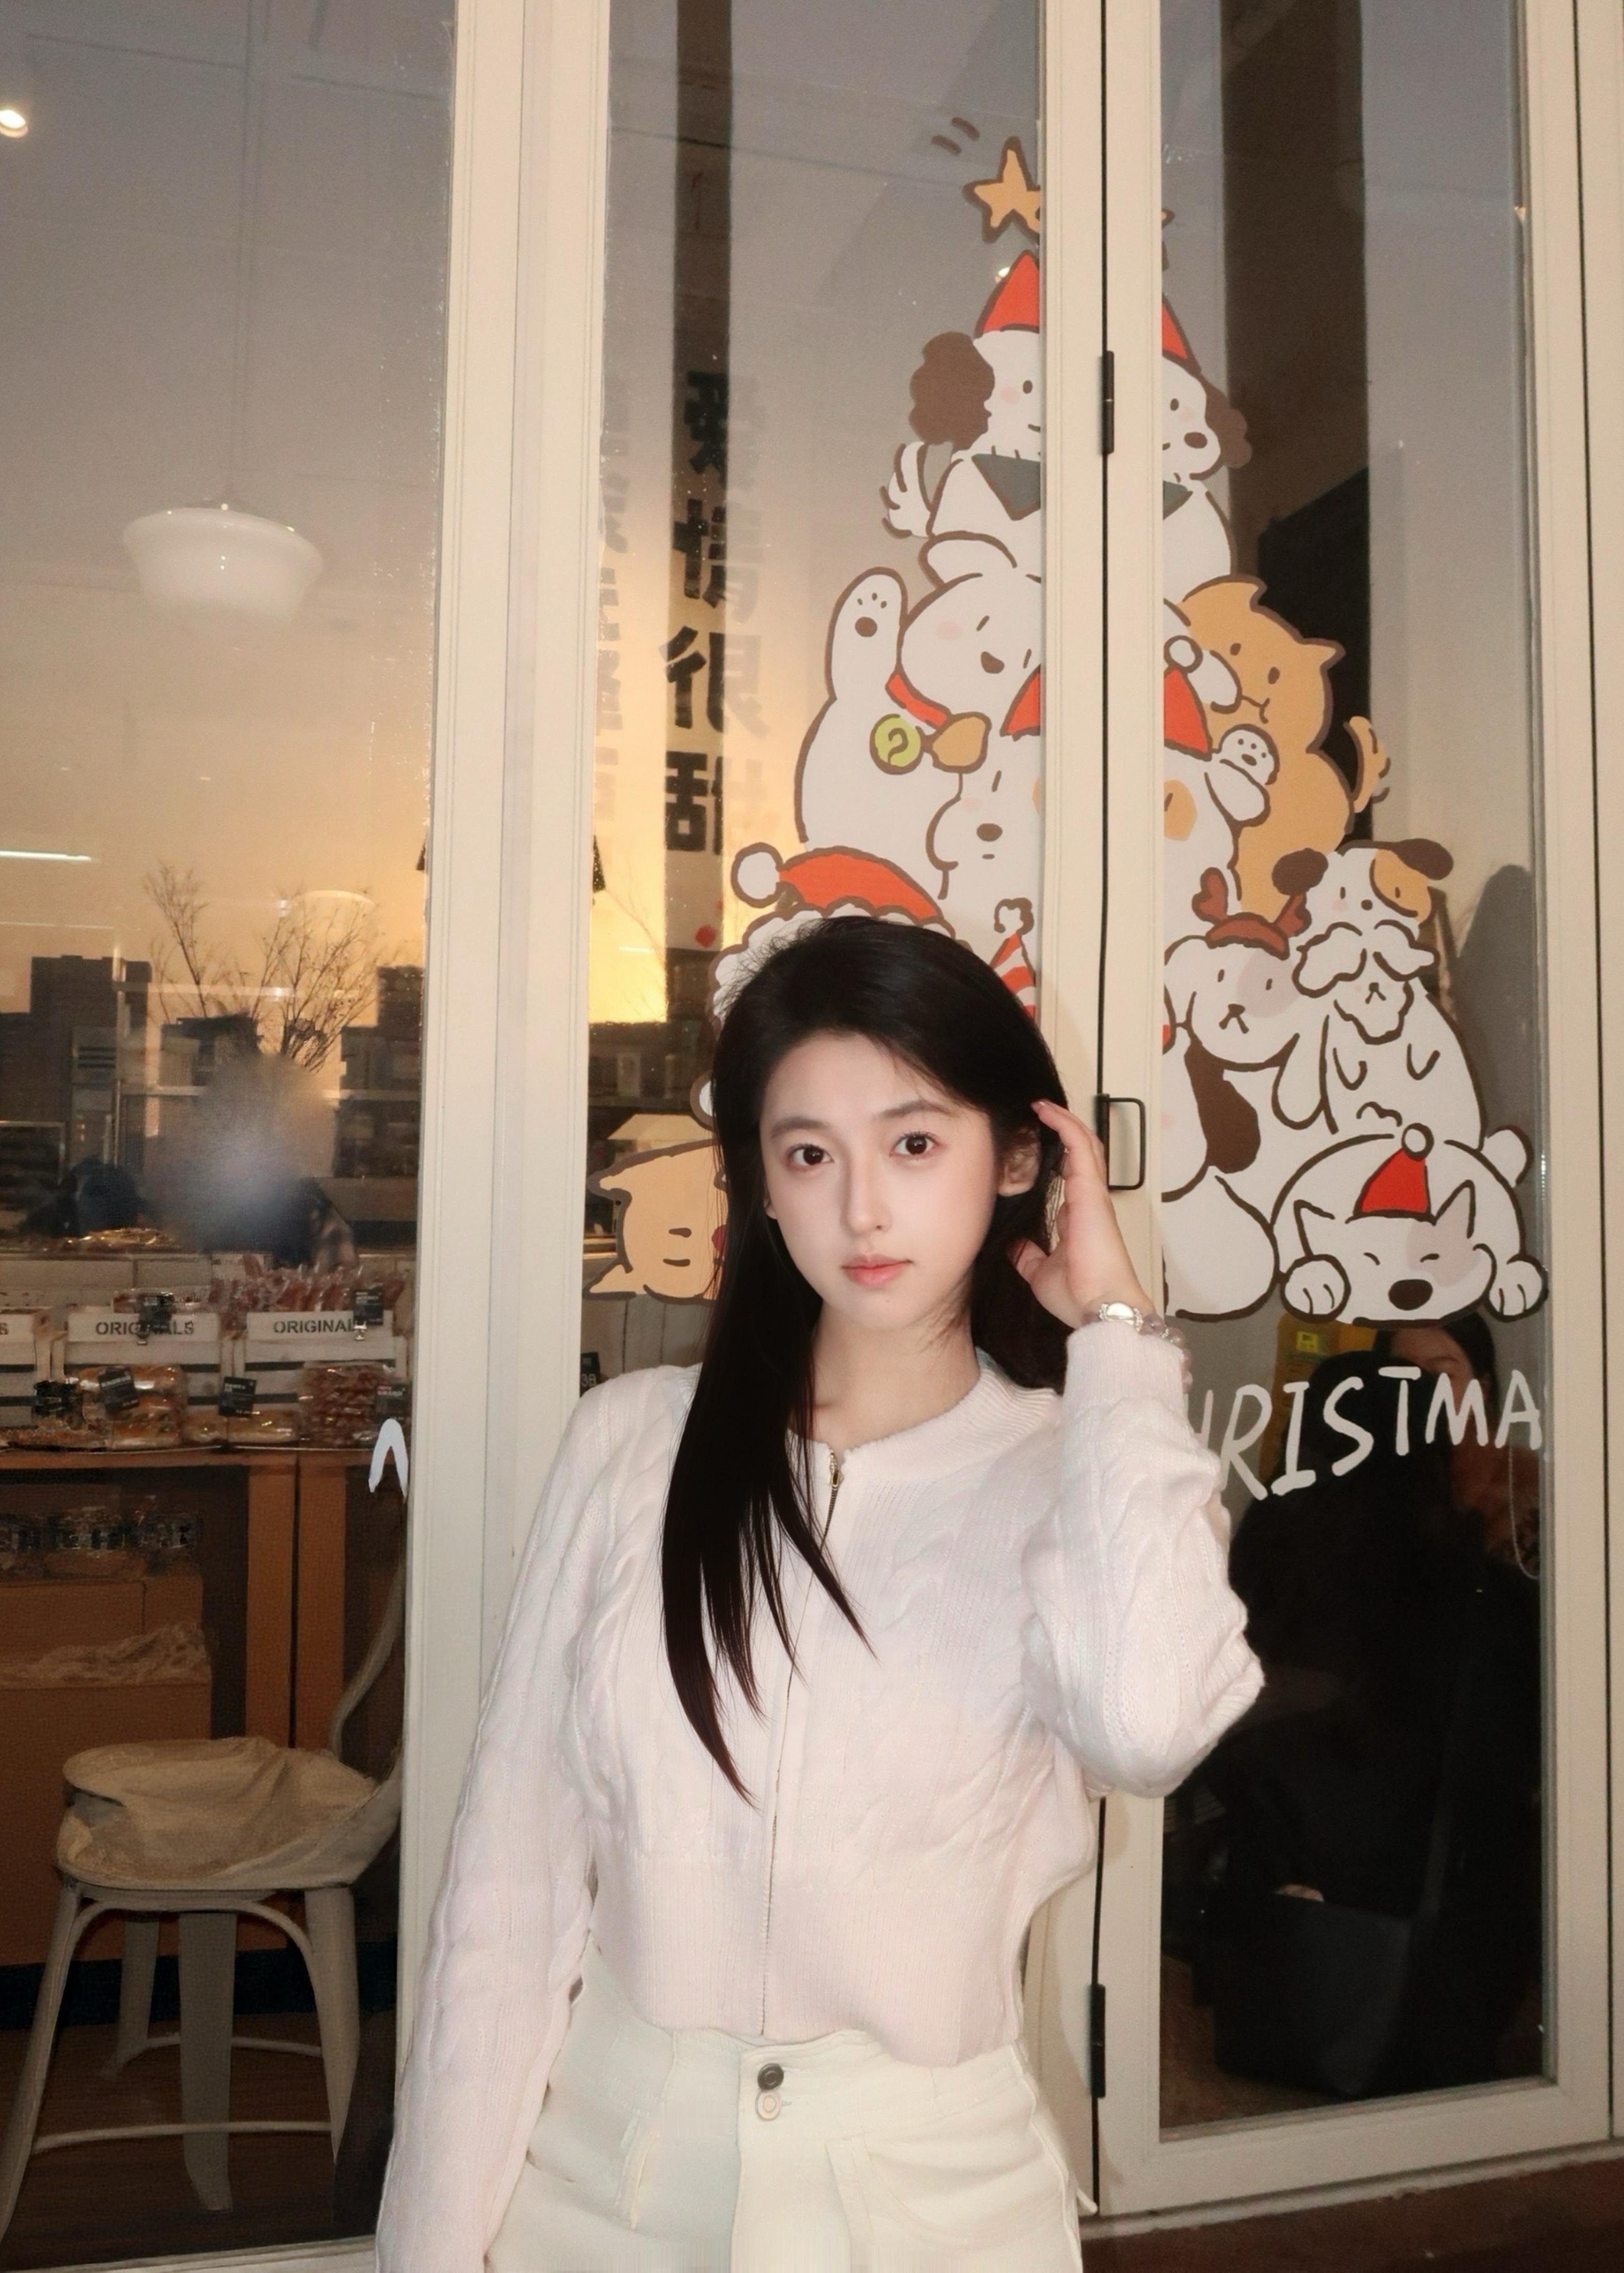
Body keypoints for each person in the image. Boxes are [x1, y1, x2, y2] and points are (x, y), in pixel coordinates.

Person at [377, 917, 1262, 2271]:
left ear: (1018, 1158)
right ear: (761, 1185)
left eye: (914, 1144)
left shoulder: (1082, 1476)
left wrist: (1121, 1346)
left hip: (931, 2207)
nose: (861, 1211)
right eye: (809, 1154)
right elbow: (506, 1895)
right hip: (603, 2194)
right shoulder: (632, 1447)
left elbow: (1146, 1727)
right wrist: (430, 2249)